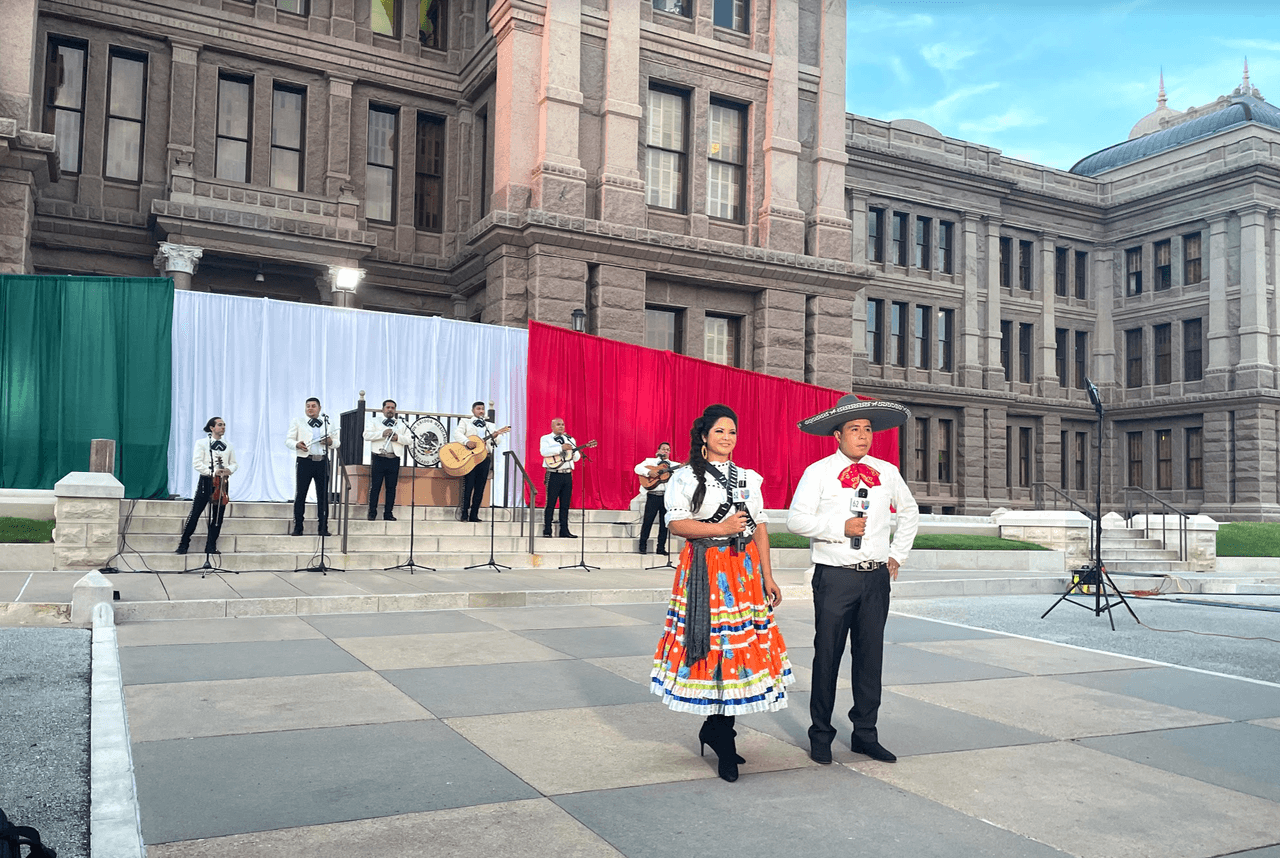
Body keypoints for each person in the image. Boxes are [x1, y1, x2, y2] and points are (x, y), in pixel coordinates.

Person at [649, 404, 793, 783]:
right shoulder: (685, 477)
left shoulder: (747, 477)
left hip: (743, 569)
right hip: (706, 567)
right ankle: (722, 736)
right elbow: (677, 524)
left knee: (737, 646)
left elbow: (760, 527)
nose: (727, 438)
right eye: (719, 431)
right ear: (704, 436)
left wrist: (768, 576)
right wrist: (721, 528)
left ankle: (717, 730)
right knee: (714, 643)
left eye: (732, 432)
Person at [787, 395, 919, 765]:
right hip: (835, 578)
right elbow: (796, 520)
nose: (862, 436)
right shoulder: (818, 472)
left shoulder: (886, 471)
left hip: (874, 579)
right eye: (854, 429)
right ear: (837, 435)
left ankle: (865, 734)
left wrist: (897, 554)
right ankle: (820, 735)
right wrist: (838, 528)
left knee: (869, 658)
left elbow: (909, 511)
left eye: (867, 429)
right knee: (827, 656)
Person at [176, 416, 237, 555]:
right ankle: (184, 544)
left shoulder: (228, 445)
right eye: (220, 425)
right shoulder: (202, 443)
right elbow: (197, 463)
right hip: (207, 481)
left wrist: (229, 470)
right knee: (195, 513)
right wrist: (212, 472)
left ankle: (211, 545)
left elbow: (234, 463)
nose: (223, 427)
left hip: (222, 482)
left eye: (224, 425)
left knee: (218, 516)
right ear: (212, 428)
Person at [286, 397, 339, 537]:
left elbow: (337, 442)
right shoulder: (298, 421)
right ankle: (298, 526)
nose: (310, 408)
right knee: (301, 494)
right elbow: (288, 440)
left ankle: (323, 527)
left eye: (313, 406)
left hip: (322, 461)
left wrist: (330, 442)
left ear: (319, 408)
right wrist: (297, 444)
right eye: (308, 406)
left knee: (323, 495)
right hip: (305, 460)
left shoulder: (327, 422)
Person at [451, 401, 511, 522]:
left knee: (480, 487)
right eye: (478, 409)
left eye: (482, 409)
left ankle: (474, 514)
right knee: (468, 485)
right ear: (473, 410)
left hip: (484, 458)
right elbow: (457, 433)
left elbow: (497, 442)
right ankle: (464, 513)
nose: (481, 411)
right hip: (470, 458)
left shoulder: (490, 425)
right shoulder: (465, 422)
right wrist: (467, 442)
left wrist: (495, 437)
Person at [362, 399, 406, 521]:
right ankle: (372, 512)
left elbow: (409, 439)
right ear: (383, 409)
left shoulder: (401, 423)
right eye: (388, 407)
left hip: (394, 458)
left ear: (395, 410)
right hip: (379, 457)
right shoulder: (374, 421)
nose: (390, 410)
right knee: (375, 487)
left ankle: (388, 513)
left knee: (391, 488)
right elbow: (366, 435)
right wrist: (382, 433)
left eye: (392, 408)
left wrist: (398, 438)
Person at [633, 442, 680, 555]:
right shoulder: (650, 461)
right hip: (653, 495)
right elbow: (637, 468)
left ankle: (661, 548)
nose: (665, 451)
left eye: (667, 450)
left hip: (666, 498)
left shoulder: (674, 465)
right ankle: (642, 546)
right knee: (647, 521)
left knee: (664, 524)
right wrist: (649, 472)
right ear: (658, 450)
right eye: (663, 449)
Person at [539, 417, 579, 538]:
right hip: (554, 473)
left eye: (562, 424)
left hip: (567, 474)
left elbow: (577, 458)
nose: (561, 426)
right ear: (552, 427)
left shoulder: (570, 439)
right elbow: (544, 452)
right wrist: (561, 448)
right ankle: (547, 529)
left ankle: (564, 530)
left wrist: (573, 451)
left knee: (565, 504)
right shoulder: (546, 438)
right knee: (551, 502)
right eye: (558, 424)